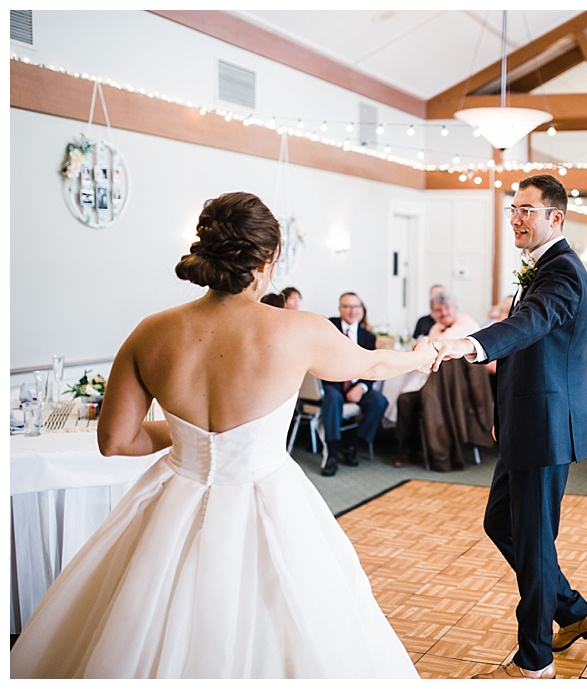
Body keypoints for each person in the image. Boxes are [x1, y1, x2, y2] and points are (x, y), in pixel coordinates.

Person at [9, 192, 434, 679]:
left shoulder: (151, 331)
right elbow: (374, 362)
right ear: (267, 260)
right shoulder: (297, 330)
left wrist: (192, 437)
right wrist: (423, 356)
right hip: (267, 494)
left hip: (173, 497)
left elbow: (116, 441)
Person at [429, 174, 587, 679]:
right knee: (502, 523)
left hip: (546, 426)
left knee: (532, 537)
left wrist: (469, 343)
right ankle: (572, 611)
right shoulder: (541, 267)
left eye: (527, 210)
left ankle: (535, 659)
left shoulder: (564, 272)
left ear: (556, 218)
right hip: (526, 423)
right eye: (514, 210)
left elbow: (530, 324)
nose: (516, 219)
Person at [394, 292, 480, 468]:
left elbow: (440, 344)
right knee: (405, 399)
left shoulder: (466, 323)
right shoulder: (436, 328)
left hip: (460, 387)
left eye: (447, 307)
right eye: (438, 310)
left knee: (430, 398)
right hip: (433, 380)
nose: (444, 312)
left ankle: (441, 451)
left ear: (455, 307)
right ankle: (409, 450)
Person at [321, 292, 389, 474]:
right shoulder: (329, 327)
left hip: (357, 383)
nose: (352, 311)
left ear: (361, 309)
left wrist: (362, 386)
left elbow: (372, 366)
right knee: (332, 399)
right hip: (333, 382)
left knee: (380, 402)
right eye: (347, 306)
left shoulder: (368, 336)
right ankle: (332, 454)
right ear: (340, 309)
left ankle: (352, 445)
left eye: (356, 307)